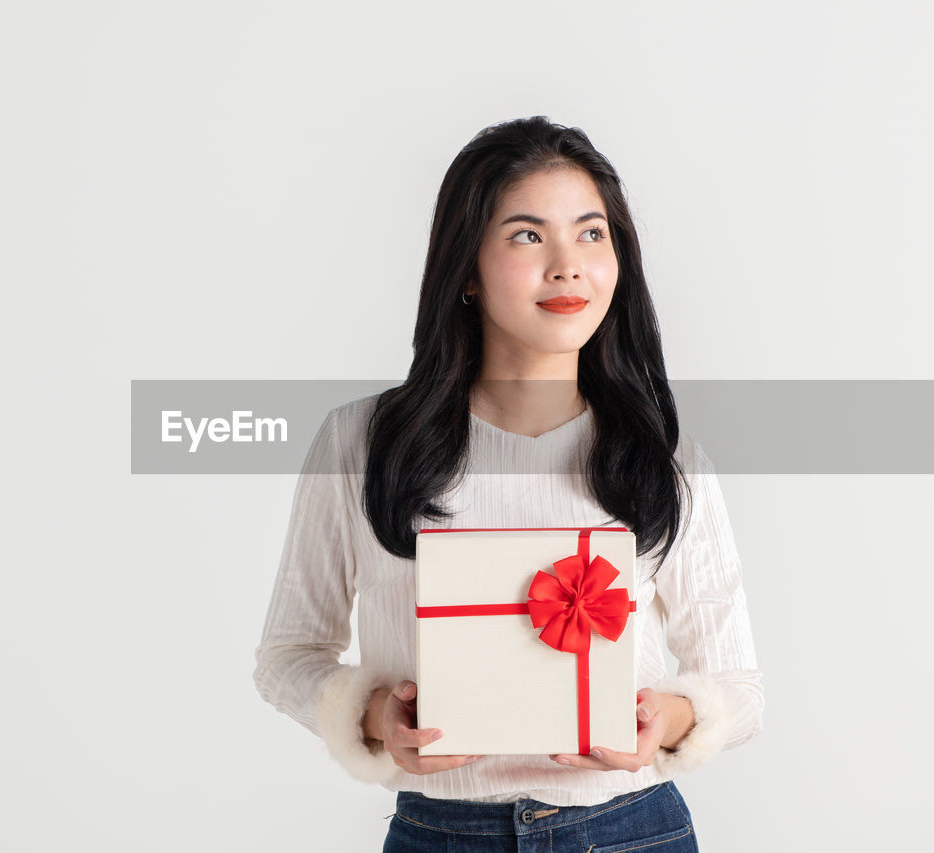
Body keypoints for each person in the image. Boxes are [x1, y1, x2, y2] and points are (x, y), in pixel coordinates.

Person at [252, 116, 763, 852]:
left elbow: (738, 683)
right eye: (528, 236)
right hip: (438, 831)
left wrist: (665, 723)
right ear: (465, 268)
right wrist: (372, 718)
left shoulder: (666, 452)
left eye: (592, 234)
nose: (569, 266)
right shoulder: (359, 442)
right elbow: (288, 654)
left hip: (631, 829)